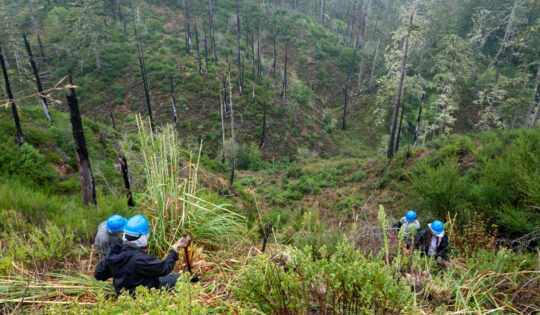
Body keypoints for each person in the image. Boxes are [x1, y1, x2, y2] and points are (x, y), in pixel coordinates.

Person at [94, 214, 190, 296]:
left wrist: (118, 270)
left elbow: (98, 274)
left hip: (121, 293)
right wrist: (174, 249)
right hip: (142, 294)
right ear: (143, 236)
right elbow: (164, 268)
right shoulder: (139, 258)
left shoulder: (114, 250)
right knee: (182, 277)